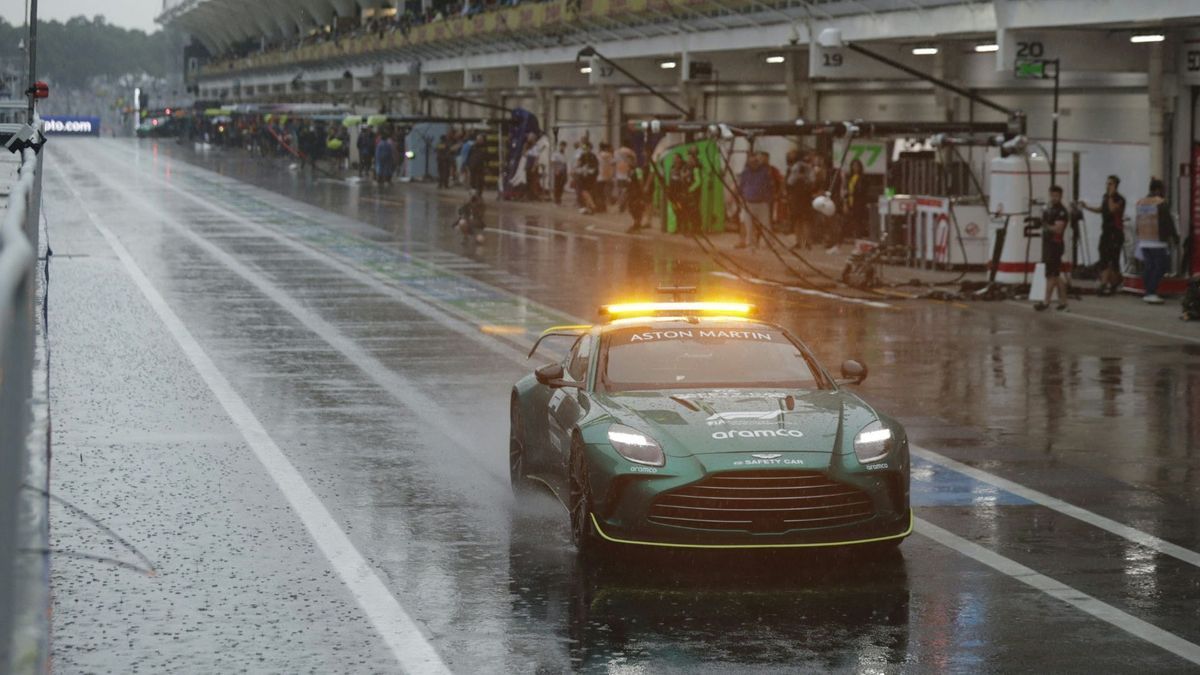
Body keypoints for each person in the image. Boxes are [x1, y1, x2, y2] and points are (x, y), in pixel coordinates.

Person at [1133, 178, 1179, 304]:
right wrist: (1175, 236)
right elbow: (1167, 221)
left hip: (1144, 240)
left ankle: (1148, 292)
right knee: (1161, 266)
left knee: (1149, 267)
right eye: (1163, 189)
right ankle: (1151, 292)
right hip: (1157, 241)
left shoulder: (1141, 202)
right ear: (1158, 189)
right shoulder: (1160, 202)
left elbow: (1137, 221)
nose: (1164, 191)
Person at [1080, 175, 1126, 295]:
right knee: (1104, 257)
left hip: (1115, 232)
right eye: (1107, 184)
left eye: (1110, 184)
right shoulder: (1105, 197)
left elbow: (1112, 209)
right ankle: (1105, 283)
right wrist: (1087, 207)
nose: (1107, 186)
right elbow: (1103, 209)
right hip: (1106, 232)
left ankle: (1112, 282)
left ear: (1115, 185)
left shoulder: (1119, 199)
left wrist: (1111, 196)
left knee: (1113, 259)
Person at [1035, 185, 1070, 311]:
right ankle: (1063, 301)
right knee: (1054, 274)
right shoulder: (1048, 208)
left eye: (1057, 195)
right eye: (1052, 195)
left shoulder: (1061, 211)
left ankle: (1046, 302)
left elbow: (1058, 229)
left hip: (1055, 245)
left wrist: (1044, 225)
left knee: (1051, 275)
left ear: (1061, 196)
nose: (1054, 198)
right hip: (1048, 245)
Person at [737, 151, 772, 249]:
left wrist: (768, 198)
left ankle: (766, 243)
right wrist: (740, 198)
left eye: (755, 162)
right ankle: (750, 243)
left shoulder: (765, 172)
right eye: (751, 162)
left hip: (762, 202)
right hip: (748, 202)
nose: (753, 164)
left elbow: (769, 186)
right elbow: (741, 186)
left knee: (765, 224)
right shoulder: (745, 172)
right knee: (748, 225)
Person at [786, 150, 812, 250]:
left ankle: (801, 242)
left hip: (799, 196)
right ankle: (805, 242)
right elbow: (812, 180)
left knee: (799, 221)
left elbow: (790, 181)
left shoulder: (796, 167)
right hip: (804, 196)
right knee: (803, 221)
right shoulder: (808, 167)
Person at [843, 158, 869, 240]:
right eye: (853, 166)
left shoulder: (862, 178)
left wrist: (851, 193)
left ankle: (858, 237)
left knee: (858, 220)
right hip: (851, 200)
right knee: (851, 219)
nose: (855, 168)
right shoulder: (850, 177)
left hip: (858, 201)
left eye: (857, 166)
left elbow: (862, 190)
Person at [575, 141, 599, 214]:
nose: (586, 149)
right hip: (588, 176)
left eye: (587, 147)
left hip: (586, 177)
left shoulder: (585, 156)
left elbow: (579, 165)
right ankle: (590, 207)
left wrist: (584, 169)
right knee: (586, 192)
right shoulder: (590, 156)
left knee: (584, 191)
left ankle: (592, 205)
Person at [624, 162, 649, 233]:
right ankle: (636, 224)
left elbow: (641, 181)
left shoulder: (638, 170)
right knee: (631, 208)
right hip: (631, 192)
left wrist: (643, 191)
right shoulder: (629, 172)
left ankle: (637, 226)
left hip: (637, 193)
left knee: (637, 208)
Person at [596, 142, 614, 213]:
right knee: (604, 193)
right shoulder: (610, 155)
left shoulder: (599, 155)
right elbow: (612, 164)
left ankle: (600, 208)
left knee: (599, 193)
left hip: (599, 176)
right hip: (607, 176)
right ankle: (604, 207)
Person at [550, 141, 568, 205]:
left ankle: (559, 198)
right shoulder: (555, 154)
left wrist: (566, 173)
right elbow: (553, 162)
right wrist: (556, 170)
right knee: (557, 185)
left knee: (561, 185)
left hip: (563, 171)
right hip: (558, 171)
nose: (563, 147)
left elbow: (565, 164)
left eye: (564, 146)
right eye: (562, 146)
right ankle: (556, 199)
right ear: (560, 146)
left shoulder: (564, 154)